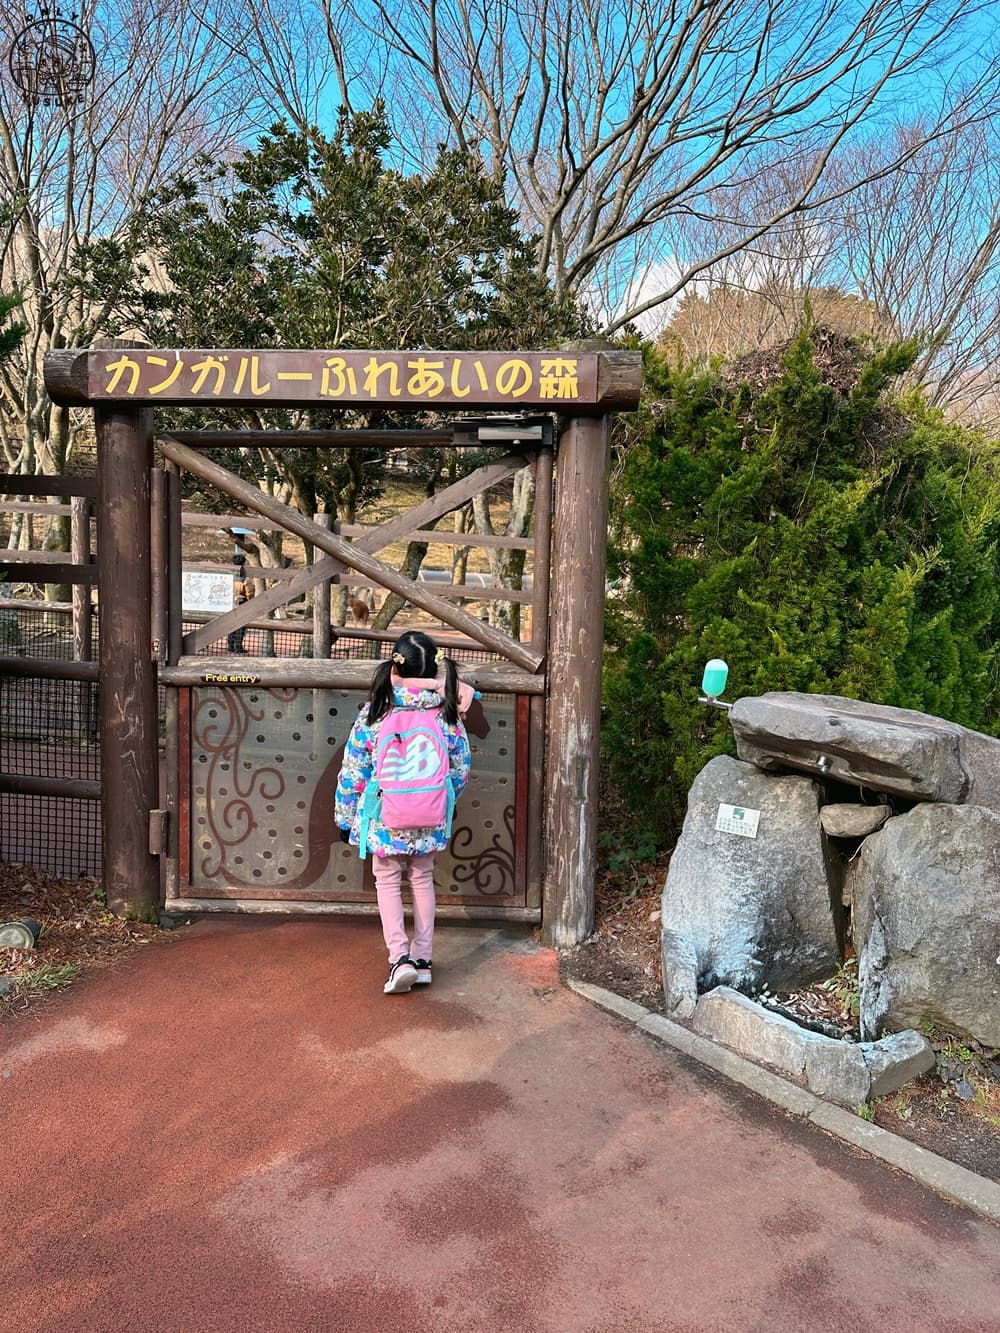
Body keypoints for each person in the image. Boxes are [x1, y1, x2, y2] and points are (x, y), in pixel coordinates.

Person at [335, 630, 475, 994]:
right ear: (434, 667)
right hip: (430, 816)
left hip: (385, 817)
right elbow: (460, 768)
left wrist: (345, 816)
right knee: (423, 879)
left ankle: (400, 959)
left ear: (395, 667)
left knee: (387, 880)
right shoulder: (446, 711)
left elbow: (354, 770)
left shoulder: (376, 711)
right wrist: (441, 802)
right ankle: (424, 959)